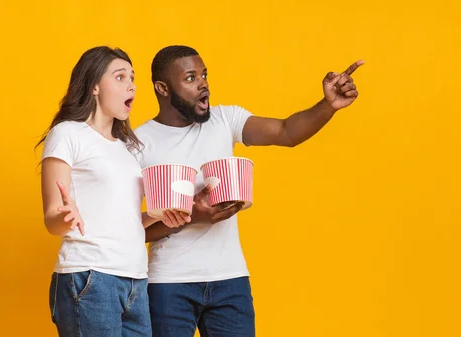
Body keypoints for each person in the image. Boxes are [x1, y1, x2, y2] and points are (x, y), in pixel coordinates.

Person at [134, 45, 363, 337]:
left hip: (231, 282)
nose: (203, 83)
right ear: (163, 88)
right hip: (168, 283)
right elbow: (128, 231)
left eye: (204, 75)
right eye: (191, 78)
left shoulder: (225, 119)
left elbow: (286, 132)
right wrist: (190, 217)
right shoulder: (138, 142)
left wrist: (327, 104)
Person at [37, 46, 188, 337]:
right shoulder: (68, 133)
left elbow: (122, 219)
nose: (131, 85)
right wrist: (66, 218)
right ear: (94, 86)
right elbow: (52, 218)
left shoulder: (127, 149)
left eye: (132, 78)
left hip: (134, 279)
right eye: (120, 77)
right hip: (91, 276)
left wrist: (157, 217)